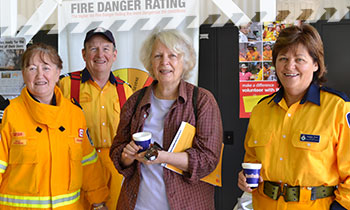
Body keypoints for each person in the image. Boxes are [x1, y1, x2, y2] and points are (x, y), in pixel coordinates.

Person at [238, 24, 350, 210]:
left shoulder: (338, 108)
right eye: (283, 58)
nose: (290, 66)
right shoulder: (261, 110)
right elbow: (252, 161)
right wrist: (244, 178)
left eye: (299, 59)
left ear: (316, 64)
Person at [110, 29, 223, 210]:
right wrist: (126, 155)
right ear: (150, 62)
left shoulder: (202, 100)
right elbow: (117, 150)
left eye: (172, 55)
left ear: (184, 61)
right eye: (157, 56)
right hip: (138, 205)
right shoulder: (135, 101)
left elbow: (208, 160)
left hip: (187, 205)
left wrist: (163, 157)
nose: (165, 62)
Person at [0, 43, 108, 209]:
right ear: (23, 74)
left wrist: (99, 202)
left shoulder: (75, 115)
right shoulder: (10, 114)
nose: (39, 75)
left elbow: (88, 165)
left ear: (58, 73)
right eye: (32, 68)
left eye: (46, 68)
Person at [59, 27, 133, 210]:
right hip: (78, 166)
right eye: (93, 49)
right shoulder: (65, 84)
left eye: (106, 49)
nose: (100, 54)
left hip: (116, 168)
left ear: (114, 55)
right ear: (84, 54)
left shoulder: (126, 90)